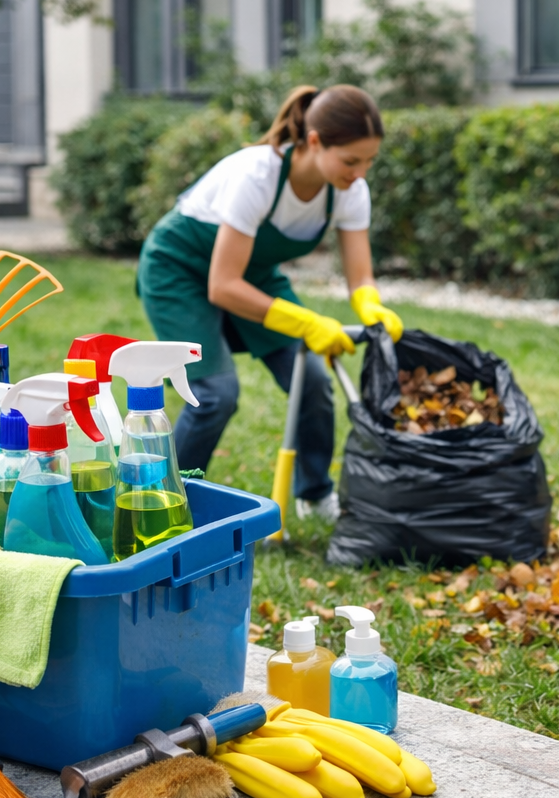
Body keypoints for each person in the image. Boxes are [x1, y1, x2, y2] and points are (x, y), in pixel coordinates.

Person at [136, 84, 405, 520]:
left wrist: (370, 305)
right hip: (179, 269)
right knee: (215, 393)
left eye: (369, 161)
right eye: (351, 161)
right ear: (314, 141)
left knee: (312, 379)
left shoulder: (349, 190)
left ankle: (315, 495)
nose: (360, 173)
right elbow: (223, 286)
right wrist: (306, 323)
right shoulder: (257, 174)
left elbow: (360, 277)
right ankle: (159, 502)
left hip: (252, 275)